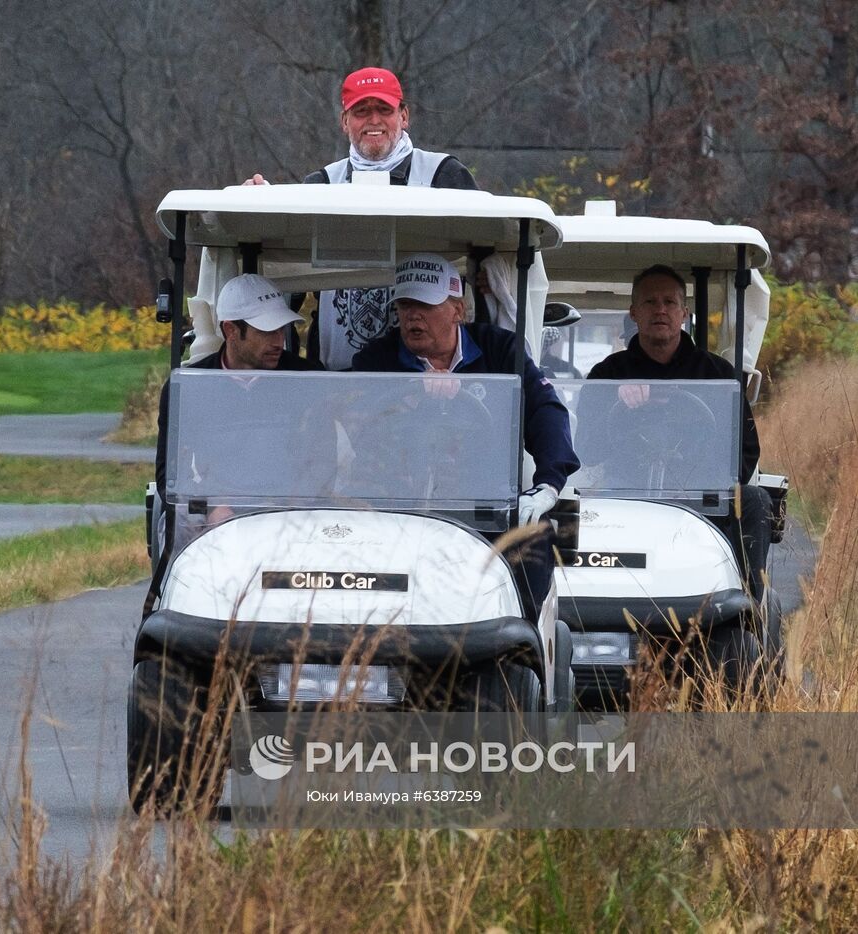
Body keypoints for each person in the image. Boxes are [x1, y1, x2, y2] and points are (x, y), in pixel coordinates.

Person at [351, 253, 581, 620]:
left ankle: (519, 644)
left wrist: (548, 483)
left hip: (483, 508)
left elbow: (546, 409)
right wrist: (409, 397)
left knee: (535, 541)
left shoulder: (500, 350)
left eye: (425, 305)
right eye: (406, 305)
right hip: (395, 506)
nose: (413, 316)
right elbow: (356, 423)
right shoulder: (375, 361)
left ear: (458, 310)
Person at [245, 67, 480, 370]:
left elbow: (485, 274)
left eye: (384, 109)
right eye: (361, 111)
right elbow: (281, 285)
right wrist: (255, 209)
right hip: (334, 385)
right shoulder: (320, 185)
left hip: (428, 384)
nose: (373, 120)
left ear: (404, 116)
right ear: (344, 121)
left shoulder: (445, 176)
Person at [586, 264, 770, 597]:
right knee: (564, 513)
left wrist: (707, 479)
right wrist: (620, 404)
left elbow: (746, 449)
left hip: (700, 498)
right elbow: (585, 449)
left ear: (684, 313)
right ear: (634, 313)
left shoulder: (716, 374)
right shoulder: (607, 374)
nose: (660, 310)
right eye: (650, 302)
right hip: (625, 496)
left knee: (755, 500)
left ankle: (749, 608)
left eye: (669, 302)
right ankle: (582, 604)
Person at [155, 274, 321, 497]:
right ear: (231, 331)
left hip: (293, 513)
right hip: (220, 516)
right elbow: (171, 477)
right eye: (266, 331)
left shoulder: (307, 379)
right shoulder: (190, 388)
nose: (278, 341)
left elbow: (323, 464)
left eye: (282, 329)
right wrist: (208, 507)